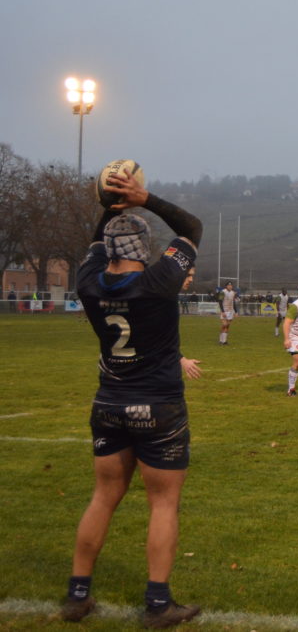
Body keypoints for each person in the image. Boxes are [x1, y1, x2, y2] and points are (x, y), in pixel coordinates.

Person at [63, 169, 202, 627]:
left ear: (106, 248)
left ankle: (78, 594)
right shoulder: (161, 281)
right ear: (144, 246)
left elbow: (95, 243)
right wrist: (143, 199)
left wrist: (111, 203)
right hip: (159, 406)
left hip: (108, 404)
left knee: (103, 497)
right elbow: (192, 228)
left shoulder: (87, 282)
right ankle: (158, 604)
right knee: (163, 504)